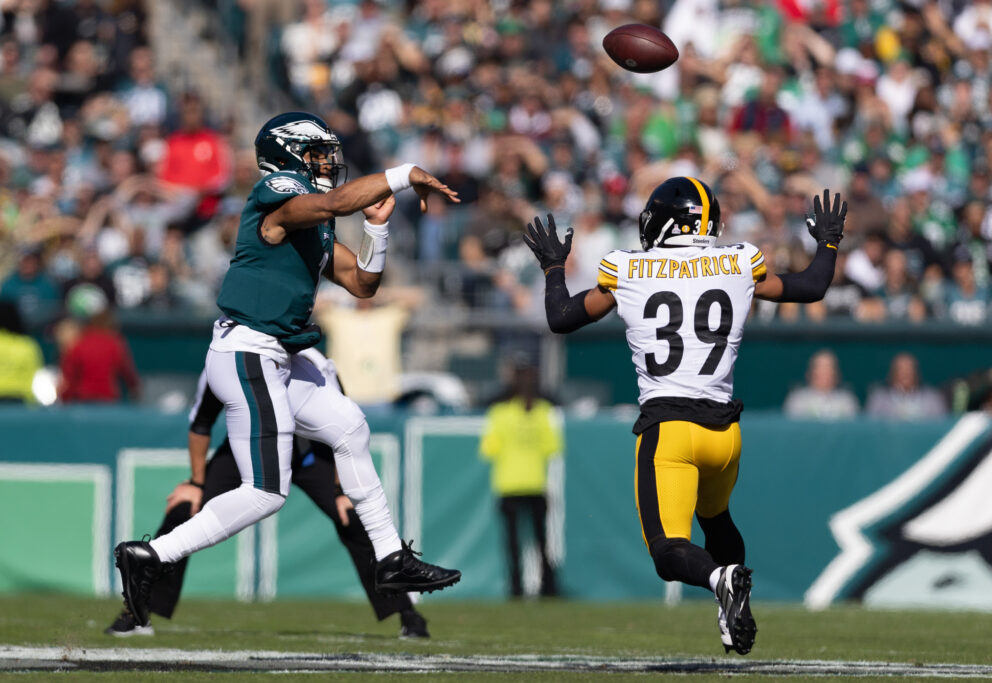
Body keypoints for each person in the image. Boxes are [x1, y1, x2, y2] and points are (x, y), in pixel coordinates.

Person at [114, 111, 462, 630]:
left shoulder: (314, 228)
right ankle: (151, 556)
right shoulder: (276, 192)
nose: (328, 164)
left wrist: (377, 228)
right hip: (249, 349)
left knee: (350, 427)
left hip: (280, 356)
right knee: (265, 492)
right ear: (288, 155)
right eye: (318, 154)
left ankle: (390, 558)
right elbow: (332, 201)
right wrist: (403, 173)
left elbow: (364, 285)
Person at [523, 179, 848, 655]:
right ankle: (732, 599)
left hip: (670, 430)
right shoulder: (739, 259)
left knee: (668, 550)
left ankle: (722, 579)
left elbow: (562, 317)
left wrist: (554, 267)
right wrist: (829, 243)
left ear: (663, 220)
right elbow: (812, 287)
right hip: (725, 435)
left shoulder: (627, 267)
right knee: (716, 521)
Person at [106, 349, 429, 639]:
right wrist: (196, 482)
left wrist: (341, 490)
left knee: (354, 519)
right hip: (247, 448)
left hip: (305, 453)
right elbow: (201, 423)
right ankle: (137, 611)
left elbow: (342, 432)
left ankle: (407, 613)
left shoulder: (316, 365)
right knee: (185, 510)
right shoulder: (229, 359)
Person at [479, 357, 561, 599]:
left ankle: (516, 588)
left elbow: (489, 448)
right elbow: (553, 446)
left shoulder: (500, 413)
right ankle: (548, 587)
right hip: (534, 482)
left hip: (510, 484)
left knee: (514, 542)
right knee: (540, 541)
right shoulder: (544, 411)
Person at [865, 352, 948, 420]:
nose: (905, 374)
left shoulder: (932, 399)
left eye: (909, 369)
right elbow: (871, 427)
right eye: (900, 370)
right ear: (892, 373)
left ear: (916, 372)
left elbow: (940, 427)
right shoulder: (879, 398)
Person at [783, 350, 860, 420]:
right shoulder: (797, 399)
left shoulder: (847, 400)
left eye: (829, 368)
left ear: (836, 373)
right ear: (810, 372)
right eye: (819, 368)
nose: (824, 373)